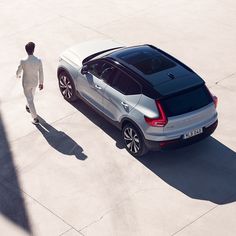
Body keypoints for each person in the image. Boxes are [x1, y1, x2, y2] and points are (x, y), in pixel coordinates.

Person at [16, 42, 44, 124]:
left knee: (30, 99)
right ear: (33, 50)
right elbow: (41, 72)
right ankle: (28, 106)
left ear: (26, 51)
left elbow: (19, 70)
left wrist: (18, 75)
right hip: (35, 82)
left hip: (26, 84)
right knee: (31, 96)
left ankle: (35, 118)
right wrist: (41, 83)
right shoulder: (38, 60)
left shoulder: (23, 61)